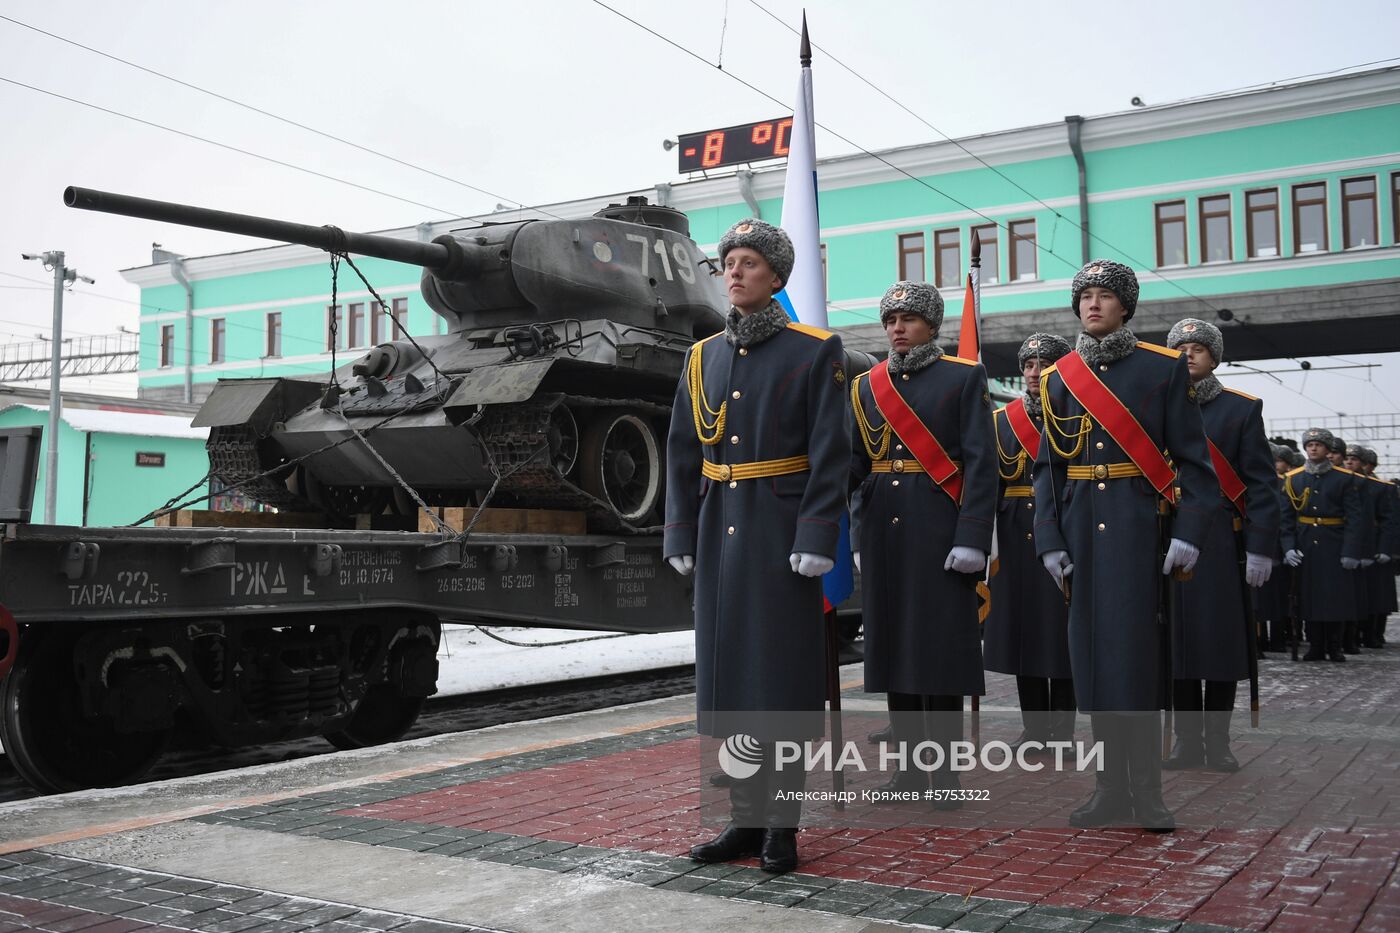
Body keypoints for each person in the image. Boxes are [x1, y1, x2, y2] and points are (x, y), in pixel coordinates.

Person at [664, 218, 848, 874]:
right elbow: (684, 451)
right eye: (729, 262)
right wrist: (681, 529)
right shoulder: (702, 356)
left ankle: (782, 826)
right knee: (731, 683)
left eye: (748, 262)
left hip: (781, 537)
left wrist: (817, 534)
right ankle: (742, 816)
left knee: (781, 683)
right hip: (720, 534)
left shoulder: (814, 350)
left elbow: (831, 453)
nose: (734, 272)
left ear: (775, 276)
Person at [1033, 259, 1216, 833]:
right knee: (1092, 664)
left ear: (1126, 306)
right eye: (1084, 296)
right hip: (1083, 534)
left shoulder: (1163, 370)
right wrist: (1049, 541)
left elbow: (1195, 463)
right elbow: (1048, 471)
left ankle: (1148, 792)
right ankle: (1108, 789)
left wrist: (1188, 533)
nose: (1092, 305)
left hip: (1142, 530)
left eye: (1104, 296)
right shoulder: (1059, 376)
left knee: (1135, 664)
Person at [849, 280, 997, 808]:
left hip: (940, 525)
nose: (897, 329)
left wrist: (973, 536)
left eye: (908, 319)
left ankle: (947, 777)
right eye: (890, 320)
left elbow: (982, 463)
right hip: (884, 528)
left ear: (932, 325)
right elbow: (856, 465)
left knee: (939, 654)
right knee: (895, 651)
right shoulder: (867, 385)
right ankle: (910, 772)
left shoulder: (962, 376)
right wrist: (854, 535)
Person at [1161, 319, 1278, 772]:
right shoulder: (1154, 408)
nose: (1188, 353)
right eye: (1180, 347)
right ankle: (1186, 743)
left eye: (1198, 347)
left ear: (1215, 357)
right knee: (1177, 645)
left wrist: (1261, 546)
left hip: (1218, 542)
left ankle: (1218, 741)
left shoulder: (1240, 410)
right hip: (1168, 536)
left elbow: (1262, 485)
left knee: (1219, 645)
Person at [984, 333, 1076, 752]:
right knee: (1024, 634)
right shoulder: (1001, 422)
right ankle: (1035, 727)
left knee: (1061, 634)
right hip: (1015, 539)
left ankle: (1064, 728)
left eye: (1044, 363)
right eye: (1028, 365)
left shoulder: (1078, 414)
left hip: (1061, 532)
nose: (1035, 372)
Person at [1282, 428, 1363, 661]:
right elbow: (1286, 518)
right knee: (1309, 597)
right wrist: (1288, 547)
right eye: (1309, 445)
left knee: (1335, 597)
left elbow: (1355, 518)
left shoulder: (1344, 478)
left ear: (1328, 449)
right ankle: (1315, 645)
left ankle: (1334, 645)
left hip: (1334, 543)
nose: (1313, 448)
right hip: (1306, 544)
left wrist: (1350, 551)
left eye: (1318, 444)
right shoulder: (1294, 478)